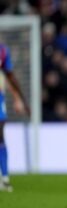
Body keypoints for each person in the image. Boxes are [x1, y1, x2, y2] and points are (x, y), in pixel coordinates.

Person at [0, 43, 30, 192]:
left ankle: (5, 178)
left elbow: (10, 76)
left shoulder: (3, 50)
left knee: (0, 135)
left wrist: (19, 98)